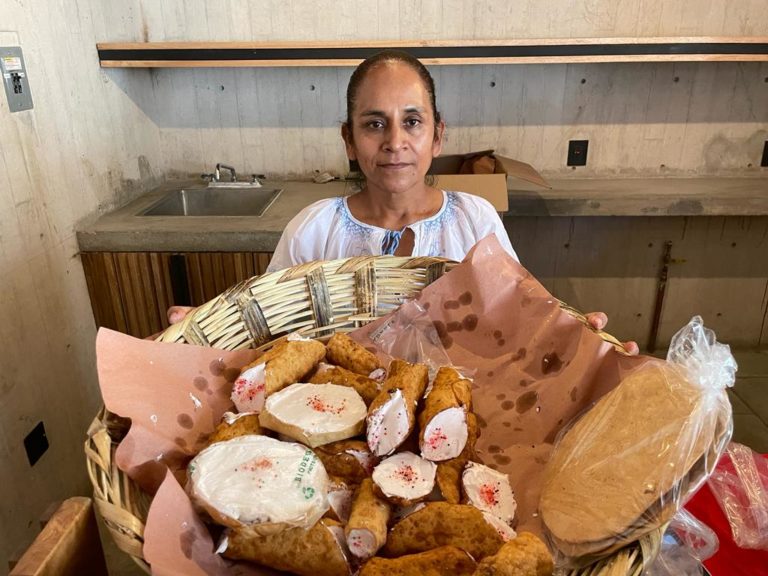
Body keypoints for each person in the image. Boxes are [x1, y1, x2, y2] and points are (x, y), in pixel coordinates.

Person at [167, 50, 638, 354]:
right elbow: (269, 331)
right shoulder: (312, 230)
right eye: (374, 124)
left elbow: (522, 321)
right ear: (348, 140)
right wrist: (209, 338)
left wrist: (579, 341)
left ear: (438, 135)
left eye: (412, 121)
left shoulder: (475, 221)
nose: (395, 142)